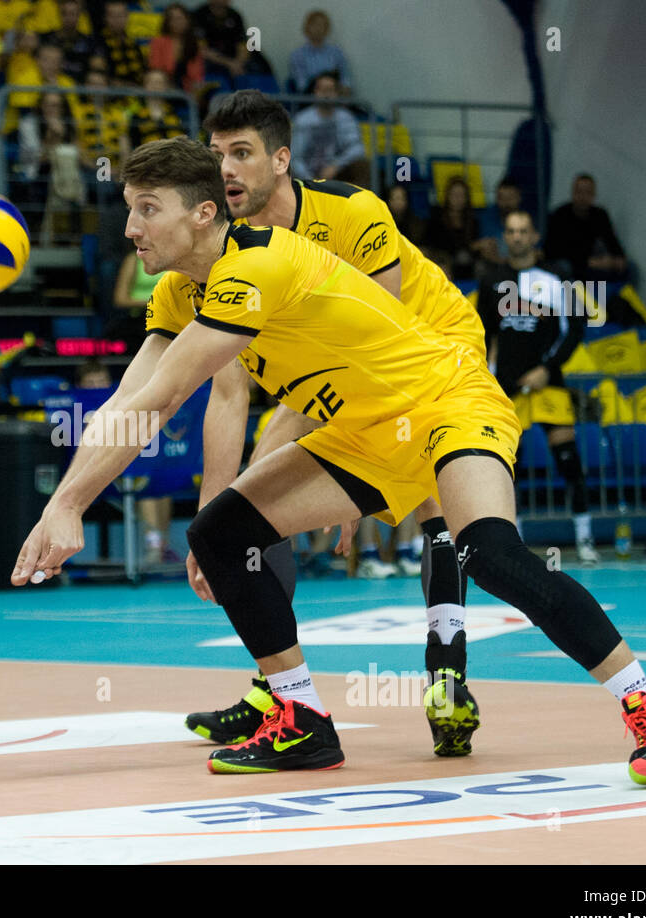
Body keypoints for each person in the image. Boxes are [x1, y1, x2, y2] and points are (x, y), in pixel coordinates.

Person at [12, 137, 646, 786]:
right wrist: (62, 499)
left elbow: (162, 400)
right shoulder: (175, 291)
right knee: (221, 533)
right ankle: (301, 720)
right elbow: (130, 399)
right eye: (128, 209)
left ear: (202, 214)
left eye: (146, 209)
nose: (130, 228)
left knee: (490, 554)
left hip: (446, 400)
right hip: (365, 432)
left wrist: (69, 504)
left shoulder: (255, 265)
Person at [190, 90, 486, 756]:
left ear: (282, 159)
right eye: (216, 157)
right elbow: (230, 391)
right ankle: (278, 692)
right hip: (331, 377)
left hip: (430, 343)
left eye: (241, 154)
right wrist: (208, 519)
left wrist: (351, 453)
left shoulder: (351, 212)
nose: (227, 170)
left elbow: (380, 353)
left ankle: (446, 676)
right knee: (252, 507)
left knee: (437, 500)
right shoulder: (228, 252)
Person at [478, 210, 597, 564]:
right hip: (507, 389)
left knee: (568, 459)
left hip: (549, 383)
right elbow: (483, 334)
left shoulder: (562, 278)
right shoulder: (491, 280)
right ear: (505, 236)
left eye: (523, 230)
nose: (516, 237)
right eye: (510, 231)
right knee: (509, 465)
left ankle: (585, 538)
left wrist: (547, 369)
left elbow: (576, 329)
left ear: (534, 236)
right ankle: (515, 542)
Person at [289, 71, 367, 188]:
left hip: (336, 173)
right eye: (322, 90)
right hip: (306, 175)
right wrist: (310, 180)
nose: (326, 95)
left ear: (337, 93)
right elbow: (295, 158)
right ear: (315, 92)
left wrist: (336, 165)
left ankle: (359, 205)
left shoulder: (346, 118)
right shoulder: (303, 119)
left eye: (330, 90)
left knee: (362, 165)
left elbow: (358, 149)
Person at [544, 173, 627, 282]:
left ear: (594, 195)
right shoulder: (560, 214)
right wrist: (590, 262)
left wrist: (618, 258)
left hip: (592, 261)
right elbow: (554, 250)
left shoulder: (600, 215)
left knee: (629, 267)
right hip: (567, 261)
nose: (583, 197)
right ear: (573, 193)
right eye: (579, 192)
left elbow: (611, 239)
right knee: (566, 267)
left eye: (588, 193)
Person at [424, 174, 479, 279]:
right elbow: (431, 245)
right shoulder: (436, 218)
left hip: (468, 261)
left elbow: (474, 247)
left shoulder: (473, 220)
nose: (458, 199)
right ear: (447, 196)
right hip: (442, 260)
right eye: (454, 195)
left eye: (462, 195)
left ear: (467, 198)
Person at [287, 9, 350, 94]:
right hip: (310, 98)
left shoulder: (337, 53)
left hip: (335, 97)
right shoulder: (297, 55)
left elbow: (345, 80)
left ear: (327, 29)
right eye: (315, 24)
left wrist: (342, 90)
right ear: (307, 27)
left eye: (322, 25)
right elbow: (301, 85)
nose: (318, 28)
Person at [147, 3, 204, 95]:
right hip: (163, 86)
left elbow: (197, 74)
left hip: (187, 89)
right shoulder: (158, 41)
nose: (177, 22)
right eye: (172, 19)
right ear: (167, 22)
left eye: (180, 18)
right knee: (155, 77)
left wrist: (196, 85)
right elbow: (155, 67)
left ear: (187, 20)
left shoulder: (194, 43)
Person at [99, 0, 145, 87]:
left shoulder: (133, 43)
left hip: (137, 92)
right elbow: (100, 75)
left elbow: (142, 72)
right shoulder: (99, 42)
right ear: (105, 18)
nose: (117, 20)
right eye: (113, 16)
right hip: (112, 94)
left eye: (121, 15)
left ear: (127, 17)